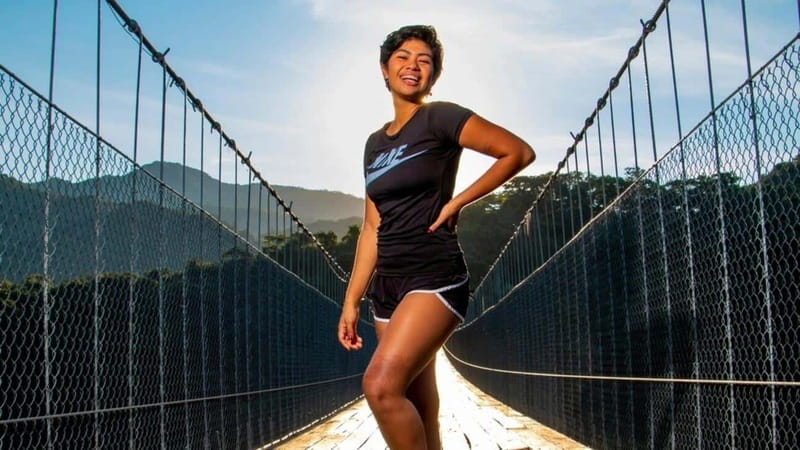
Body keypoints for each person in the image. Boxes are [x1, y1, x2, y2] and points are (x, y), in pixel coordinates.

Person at [337, 24, 535, 449]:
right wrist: (352, 300)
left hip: (434, 274)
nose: (413, 66)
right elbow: (372, 227)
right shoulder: (374, 143)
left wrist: (457, 201)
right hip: (387, 286)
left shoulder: (441, 116)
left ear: (434, 75)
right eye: (403, 58)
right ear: (384, 70)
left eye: (424, 61)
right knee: (418, 403)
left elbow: (517, 152)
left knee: (380, 386)